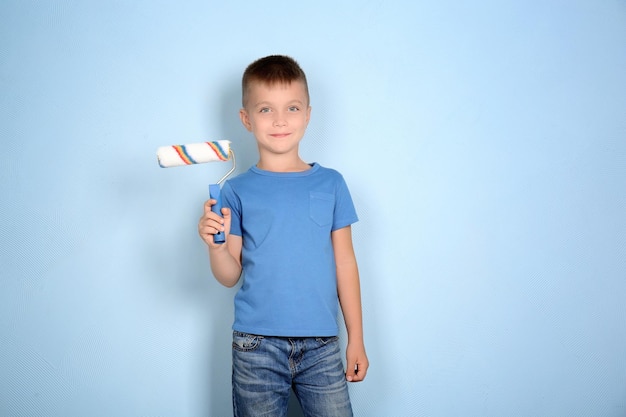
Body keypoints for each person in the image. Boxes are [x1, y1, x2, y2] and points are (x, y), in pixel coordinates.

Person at [198, 55, 368, 417]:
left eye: (291, 108)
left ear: (308, 114)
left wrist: (357, 338)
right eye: (265, 109)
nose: (279, 120)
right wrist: (214, 245)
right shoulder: (235, 191)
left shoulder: (332, 183)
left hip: (323, 345)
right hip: (255, 346)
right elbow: (230, 275)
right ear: (246, 119)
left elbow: (345, 263)